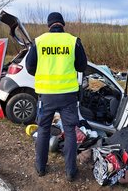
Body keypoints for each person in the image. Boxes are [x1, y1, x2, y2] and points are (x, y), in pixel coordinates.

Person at [26, 12, 87, 182]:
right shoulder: (73, 41)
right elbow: (82, 66)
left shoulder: (39, 41)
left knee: (44, 129)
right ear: (62, 24)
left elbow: (30, 67)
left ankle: (40, 168)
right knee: (69, 131)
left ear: (49, 25)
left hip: (46, 95)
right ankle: (70, 171)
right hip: (68, 95)